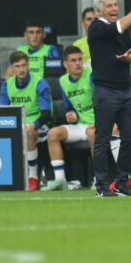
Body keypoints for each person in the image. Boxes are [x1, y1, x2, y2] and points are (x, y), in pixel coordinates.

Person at [88, 0, 131, 197]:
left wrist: (129, 58)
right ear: (99, 10)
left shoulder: (122, 28)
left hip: (125, 91)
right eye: (109, 6)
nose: (114, 8)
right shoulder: (96, 26)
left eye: (115, 5)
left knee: (130, 138)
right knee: (102, 140)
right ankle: (102, 187)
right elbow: (118, 27)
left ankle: (121, 184)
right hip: (106, 91)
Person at [41, 46, 96, 191]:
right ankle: (60, 179)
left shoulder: (91, 75)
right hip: (81, 125)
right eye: (73, 60)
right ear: (65, 64)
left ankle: (99, 178)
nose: (78, 63)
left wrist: (99, 121)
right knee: (52, 134)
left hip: (97, 123)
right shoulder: (63, 81)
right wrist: (70, 114)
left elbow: (104, 100)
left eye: (80, 60)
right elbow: (69, 106)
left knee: (93, 134)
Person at [0, 51, 53, 192]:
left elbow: (47, 114)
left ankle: (33, 177)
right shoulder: (6, 85)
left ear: (28, 65)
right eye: (17, 66)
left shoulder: (40, 83)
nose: (21, 69)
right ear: (12, 68)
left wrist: (34, 124)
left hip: (39, 125)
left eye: (24, 65)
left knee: (29, 132)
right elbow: (3, 112)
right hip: (18, 124)